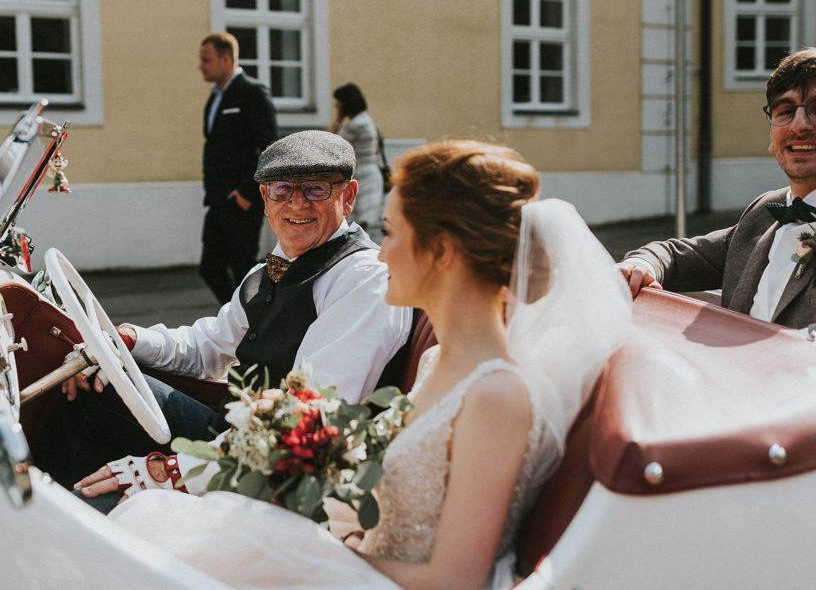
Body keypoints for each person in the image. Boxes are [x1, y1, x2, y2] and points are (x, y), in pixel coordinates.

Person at [93, 140, 632, 589]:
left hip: (374, 574)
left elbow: (456, 582)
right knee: (151, 532)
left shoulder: (496, 396)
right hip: (353, 543)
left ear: (441, 252)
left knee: (149, 535)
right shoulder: (441, 362)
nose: (381, 252)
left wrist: (317, 556)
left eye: (393, 233)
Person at [35, 130, 412, 499]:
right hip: (231, 429)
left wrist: (173, 472)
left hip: (276, 470)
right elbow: (206, 347)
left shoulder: (364, 279)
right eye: (282, 190)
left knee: (85, 402)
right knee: (91, 384)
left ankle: (71, 510)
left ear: (348, 197)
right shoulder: (264, 273)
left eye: (316, 189)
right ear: (265, 198)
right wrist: (126, 340)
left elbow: (311, 413)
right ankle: (60, 500)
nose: (297, 205)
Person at [620, 47, 816, 328]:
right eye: (785, 111)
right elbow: (676, 256)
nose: (799, 125)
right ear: (773, 138)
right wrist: (642, 265)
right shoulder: (764, 212)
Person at [198, 31, 278, 303]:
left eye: (206, 60)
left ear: (225, 60)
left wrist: (247, 191)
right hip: (218, 198)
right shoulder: (217, 96)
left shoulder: (251, 93)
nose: (200, 66)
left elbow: (270, 147)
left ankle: (255, 324)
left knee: (244, 268)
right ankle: (242, 320)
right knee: (210, 267)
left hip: (241, 200)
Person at [331, 83, 384, 235]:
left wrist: (338, 119)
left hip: (361, 177)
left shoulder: (354, 125)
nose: (335, 106)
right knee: (361, 227)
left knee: (356, 228)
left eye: (338, 103)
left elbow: (331, 145)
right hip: (370, 175)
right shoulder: (366, 120)